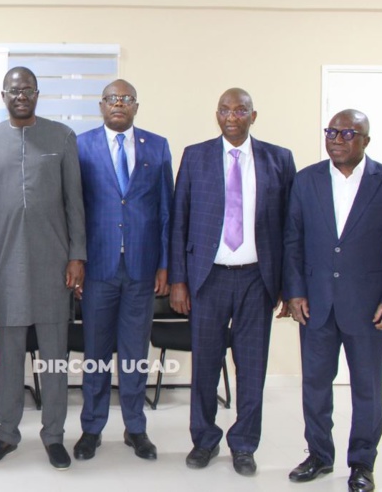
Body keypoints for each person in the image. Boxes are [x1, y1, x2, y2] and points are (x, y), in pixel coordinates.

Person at [284, 110, 382, 492]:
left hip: (369, 307)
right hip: (316, 305)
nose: (337, 139)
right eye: (331, 132)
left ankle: (362, 462)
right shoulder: (306, 180)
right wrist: (294, 292)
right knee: (315, 386)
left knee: (366, 389)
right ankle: (319, 455)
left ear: (365, 141)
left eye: (347, 133)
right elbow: (292, 240)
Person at [169, 87, 295, 476]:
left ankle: (243, 444)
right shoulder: (196, 156)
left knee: (252, 367)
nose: (231, 116)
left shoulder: (278, 159)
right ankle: (204, 440)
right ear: (216, 114)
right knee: (205, 364)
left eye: (240, 110)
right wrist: (178, 281)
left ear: (253, 117)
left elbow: (291, 229)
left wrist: (289, 288)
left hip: (258, 279)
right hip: (208, 279)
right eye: (224, 109)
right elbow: (179, 222)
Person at [0, 66, 86, 470]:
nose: (21, 95)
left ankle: (54, 436)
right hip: (4, 265)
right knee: (9, 357)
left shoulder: (61, 137)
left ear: (38, 94)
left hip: (55, 265)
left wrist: (77, 256)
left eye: (29, 90)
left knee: (54, 357)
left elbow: (75, 201)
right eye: (14, 90)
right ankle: (7, 435)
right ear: (3, 95)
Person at [74, 80, 173, 462]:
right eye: (112, 99)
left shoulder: (158, 146)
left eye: (126, 99)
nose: (119, 104)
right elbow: (75, 210)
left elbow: (166, 211)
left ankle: (136, 429)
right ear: (101, 106)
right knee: (96, 354)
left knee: (134, 353)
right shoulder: (82, 146)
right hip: (98, 268)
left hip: (142, 268)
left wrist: (164, 264)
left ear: (136, 106)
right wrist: (77, 261)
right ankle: (91, 429)